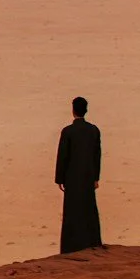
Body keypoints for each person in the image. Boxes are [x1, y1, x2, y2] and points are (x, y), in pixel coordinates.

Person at [54, 96, 102, 252]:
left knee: (73, 211)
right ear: (86, 110)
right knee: (88, 209)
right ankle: (91, 242)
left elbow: (63, 156)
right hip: (88, 176)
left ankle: (71, 246)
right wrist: (95, 177)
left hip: (72, 178)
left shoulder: (68, 131)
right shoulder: (93, 130)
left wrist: (60, 178)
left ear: (73, 110)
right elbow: (97, 155)